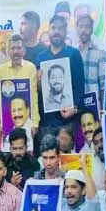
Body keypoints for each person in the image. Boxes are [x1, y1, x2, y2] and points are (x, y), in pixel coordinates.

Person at [35, 15, 85, 146]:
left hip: (68, 121)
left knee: (67, 156)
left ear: (66, 31)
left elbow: (80, 87)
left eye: (61, 28)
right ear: (48, 30)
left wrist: (74, 108)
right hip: (46, 121)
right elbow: (38, 91)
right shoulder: (40, 57)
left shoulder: (74, 54)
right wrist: (38, 83)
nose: (57, 31)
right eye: (53, 28)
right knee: (47, 156)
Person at [76, 14, 106, 94]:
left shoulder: (100, 54)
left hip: (93, 101)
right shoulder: (72, 54)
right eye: (81, 26)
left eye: (87, 27)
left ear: (92, 29)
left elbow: (103, 87)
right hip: (75, 101)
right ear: (76, 28)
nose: (83, 30)